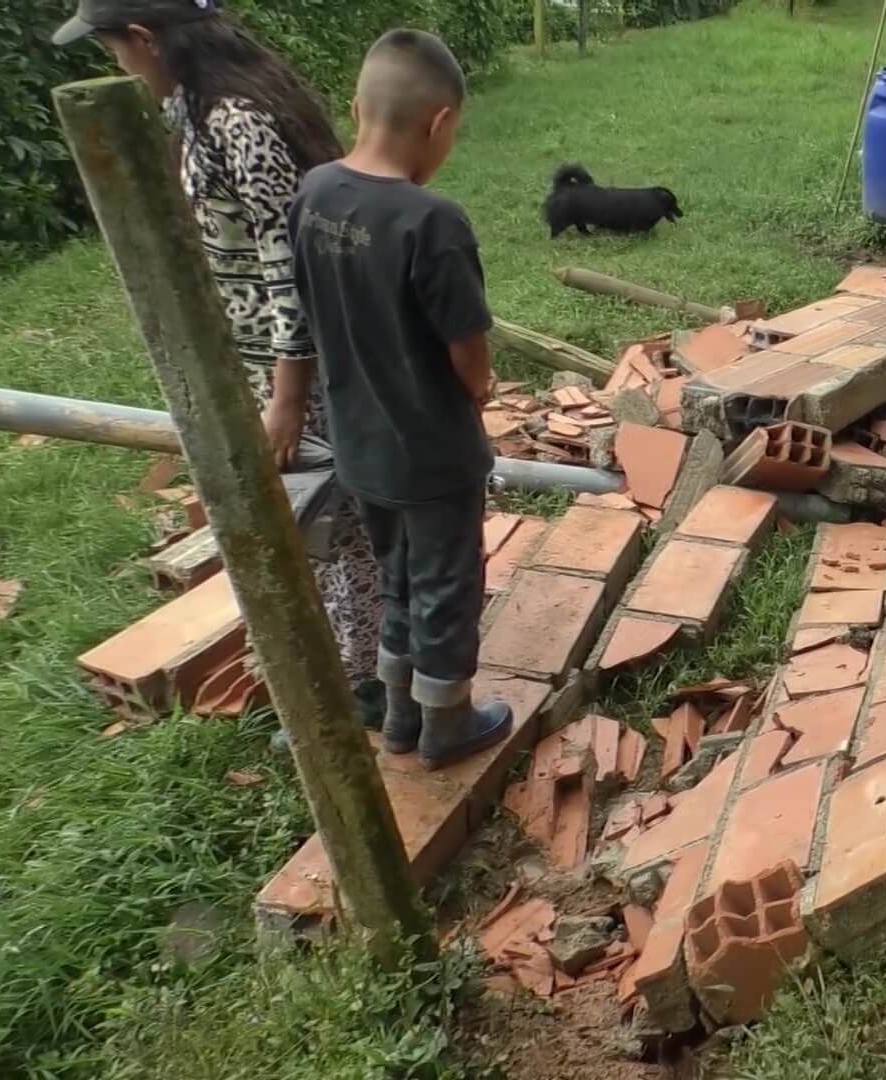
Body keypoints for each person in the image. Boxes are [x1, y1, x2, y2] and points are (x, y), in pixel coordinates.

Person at [53, 0, 385, 688]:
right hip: (261, 359)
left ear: (144, 39)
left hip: (297, 362)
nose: (114, 64)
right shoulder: (196, 106)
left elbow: (288, 262)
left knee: (332, 520)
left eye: (114, 49)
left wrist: (289, 396)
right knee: (318, 523)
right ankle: (347, 661)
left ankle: (364, 680)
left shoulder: (240, 120)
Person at [287, 29, 509, 768]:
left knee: (399, 577)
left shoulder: (314, 193)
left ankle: (404, 718)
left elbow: (307, 314)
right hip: (434, 451)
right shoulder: (430, 221)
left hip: (361, 447)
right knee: (447, 581)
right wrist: (480, 391)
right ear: (440, 121)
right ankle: (448, 722)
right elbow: (468, 352)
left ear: (357, 106)